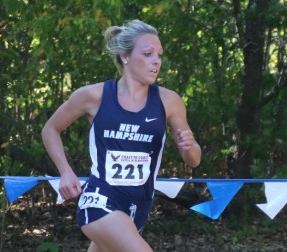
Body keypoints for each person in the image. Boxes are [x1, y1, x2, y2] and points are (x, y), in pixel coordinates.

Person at [42, 19, 201, 252]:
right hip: (100, 200)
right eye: (148, 54)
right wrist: (66, 172)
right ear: (125, 57)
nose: (156, 61)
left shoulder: (169, 101)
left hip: (140, 206)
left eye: (159, 54)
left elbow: (194, 160)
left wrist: (188, 147)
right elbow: (50, 129)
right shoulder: (93, 95)